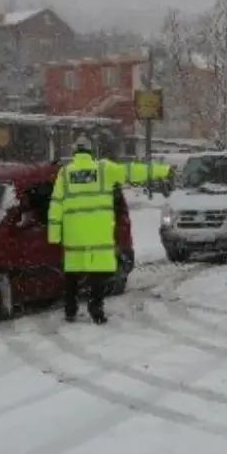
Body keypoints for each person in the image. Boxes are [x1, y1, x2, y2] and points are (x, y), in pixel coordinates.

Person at [48, 136, 172, 324]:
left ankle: (70, 311)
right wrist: (163, 170)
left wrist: (54, 235)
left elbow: (55, 206)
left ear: (74, 153)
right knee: (97, 276)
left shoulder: (65, 174)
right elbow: (132, 171)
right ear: (92, 152)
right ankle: (96, 310)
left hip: (74, 238)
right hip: (99, 237)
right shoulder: (103, 169)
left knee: (72, 276)